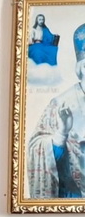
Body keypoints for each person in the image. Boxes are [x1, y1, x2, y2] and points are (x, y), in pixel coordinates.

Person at [26, 40, 85, 197]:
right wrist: (61, 134)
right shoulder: (61, 104)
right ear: (83, 68)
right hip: (74, 198)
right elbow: (37, 147)